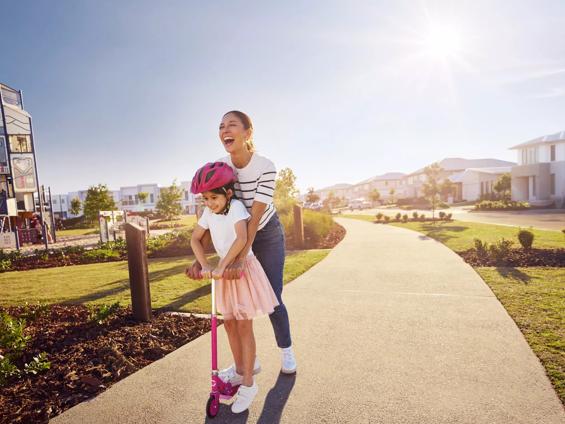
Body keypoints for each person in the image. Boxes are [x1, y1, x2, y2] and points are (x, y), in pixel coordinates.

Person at [186, 110, 297, 381]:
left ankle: (286, 350)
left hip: (264, 231)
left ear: (247, 133)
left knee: (272, 295)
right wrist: (202, 257)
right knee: (236, 306)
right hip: (238, 234)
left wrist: (238, 259)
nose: (225, 129)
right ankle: (249, 364)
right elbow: (217, 212)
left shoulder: (265, 166)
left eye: (232, 124)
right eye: (221, 125)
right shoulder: (221, 167)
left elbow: (254, 218)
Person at [189, 161, 279, 413]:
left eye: (214, 197)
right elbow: (195, 238)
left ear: (228, 193)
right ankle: (241, 371)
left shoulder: (237, 207)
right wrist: (206, 264)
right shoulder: (209, 212)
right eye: (205, 198)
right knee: (228, 323)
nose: (209, 203)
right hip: (223, 273)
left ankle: (249, 384)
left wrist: (223, 265)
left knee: (243, 324)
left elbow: (241, 238)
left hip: (242, 269)